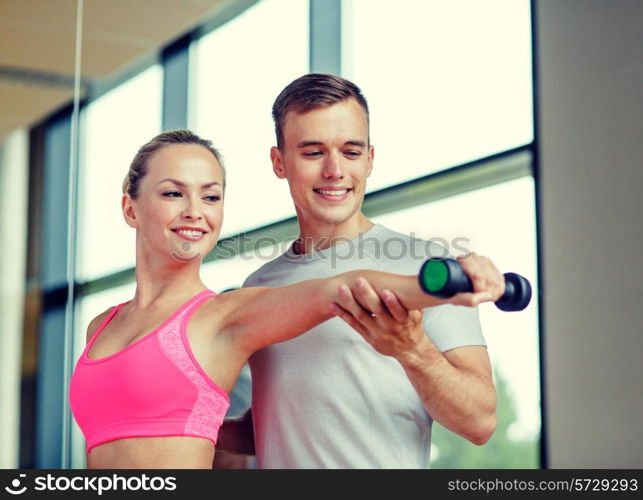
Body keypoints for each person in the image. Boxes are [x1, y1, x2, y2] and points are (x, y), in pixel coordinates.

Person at [68, 129, 504, 469]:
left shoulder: (225, 315)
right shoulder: (101, 327)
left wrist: (447, 280)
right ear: (130, 208)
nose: (195, 211)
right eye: (172, 193)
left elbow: (339, 287)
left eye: (211, 197)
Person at [217, 74, 500, 469]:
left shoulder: (427, 269)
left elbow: (480, 421)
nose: (335, 170)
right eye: (313, 153)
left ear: (370, 159)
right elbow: (279, 425)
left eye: (351, 152)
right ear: (279, 162)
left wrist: (413, 350)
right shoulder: (260, 286)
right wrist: (177, 427)